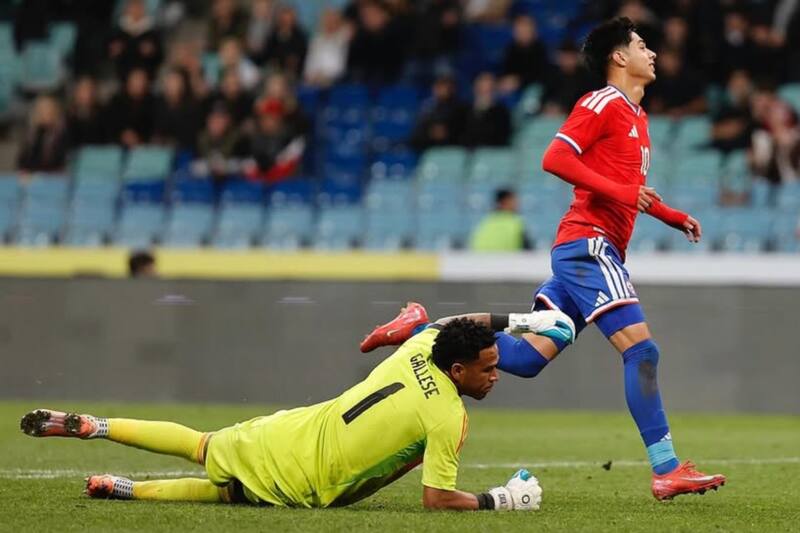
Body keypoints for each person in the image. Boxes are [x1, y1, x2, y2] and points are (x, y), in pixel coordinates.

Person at [19, 306, 580, 510]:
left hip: (291, 429)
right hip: (310, 481)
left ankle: (98, 427)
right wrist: (498, 501)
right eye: (488, 367)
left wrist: (522, 321)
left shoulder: (420, 345)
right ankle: (128, 489)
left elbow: (456, 322)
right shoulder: (450, 419)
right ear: (457, 372)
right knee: (226, 494)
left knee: (202, 446)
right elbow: (436, 500)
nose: (495, 374)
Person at [508, 17, 725, 500]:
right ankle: (666, 468)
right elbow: (556, 158)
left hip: (584, 252)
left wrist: (670, 215)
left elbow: (632, 193)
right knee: (642, 350)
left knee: (525, 356)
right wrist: (625, 192)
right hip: (589, 246)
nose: (652, 52)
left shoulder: (638, 118)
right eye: (642, 45)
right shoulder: (601, 101)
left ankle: (424, 331)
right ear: (619, 57)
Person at [16, 95, 68, 174]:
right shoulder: (32, 135)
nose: (46, 112)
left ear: (55, 111)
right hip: (33, 180)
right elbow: (23, 162)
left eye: (49, 108)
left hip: (55, 179)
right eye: (42, 109)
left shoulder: (63, 134)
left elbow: (61, 163)